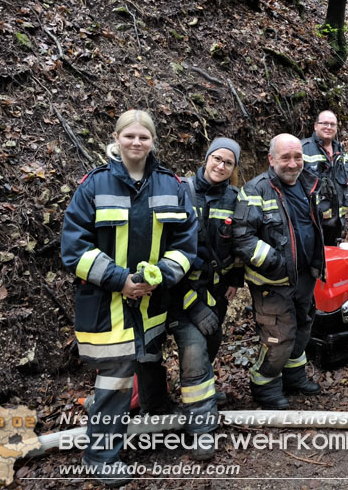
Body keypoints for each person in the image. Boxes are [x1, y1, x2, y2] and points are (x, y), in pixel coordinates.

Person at [61, 109, 197, 486]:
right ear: (116, 139)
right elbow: (74, 249)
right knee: (115, 378)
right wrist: (121, 281)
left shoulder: (171, 185)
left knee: (149, 364)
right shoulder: (93, 185)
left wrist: (161, 276)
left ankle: (156, 425)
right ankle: (101, 458)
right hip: (109, 304)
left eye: (144, 137)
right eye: (130, 136)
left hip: (152, 302)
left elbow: (186, 243)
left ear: (153, 141)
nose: (137, 143)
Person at [136, 138, 243, 459]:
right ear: (206, 158)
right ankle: (173, 420)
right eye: (217, 159)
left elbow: (238, 242)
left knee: (207, 345)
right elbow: (165, 246)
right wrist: (190, 303)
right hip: (166, 292)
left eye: (228, 163)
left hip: (211, 290)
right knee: (154, 355)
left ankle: (198, 402)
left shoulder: (235, 199)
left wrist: (235, 278)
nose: (220, 166)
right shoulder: (179, 191)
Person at [232, 134, 325, 409]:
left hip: (305, 277)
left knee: (302, 329)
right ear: (271, 159)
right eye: (285, 157)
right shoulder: (255, 190)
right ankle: (265, 387)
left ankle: (293, 377)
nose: (293, 163)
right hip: (272, 282)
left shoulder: (309, 183)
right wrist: (274, 261)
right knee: (279, 337)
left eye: (298, 157)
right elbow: (242, 237)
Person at [301, 110, 348, 245]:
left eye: (332, 124)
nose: (329, 127)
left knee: (332, 260)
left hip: (336, 223)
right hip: (311, 222)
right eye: (325, 123)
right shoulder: (302, 150)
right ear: (316, 126)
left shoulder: (341, 153)